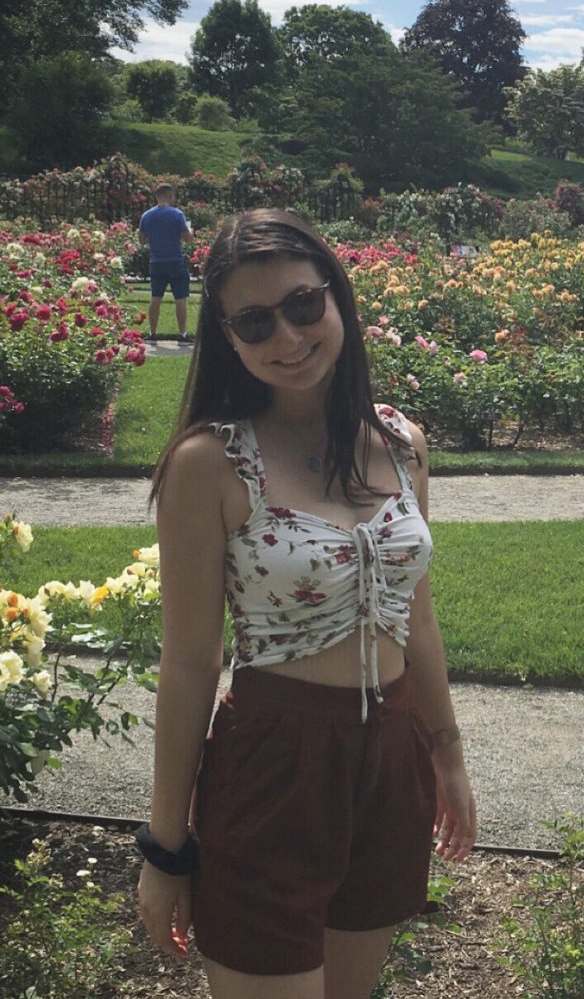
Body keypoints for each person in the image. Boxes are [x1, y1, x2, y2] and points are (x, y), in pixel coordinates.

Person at [136, 208, 477, 999]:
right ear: (227, 337)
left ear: (337, 299)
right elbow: (189, 663)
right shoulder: (208, 465)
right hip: (274, 758)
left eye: (301, 305)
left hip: (391, 755)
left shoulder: (400, 442)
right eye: (254, 322)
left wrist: (447, 753)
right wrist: (166, 846)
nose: (286, 338)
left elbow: (415, 614)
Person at [139, 184, 194, 344]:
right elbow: (187, 238)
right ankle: (182, 333)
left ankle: (152, 332)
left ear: (156, 196)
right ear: (170, 197)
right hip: (175, 260)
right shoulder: (177, 214)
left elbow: (142, 240)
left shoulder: (146, 216)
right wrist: (191, 232)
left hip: (156, 260)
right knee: (180, 298)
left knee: (156, 297)